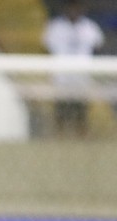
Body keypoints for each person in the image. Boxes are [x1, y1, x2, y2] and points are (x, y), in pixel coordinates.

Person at [42, 0, 105, 136]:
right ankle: (60, 137)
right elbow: (47, 48)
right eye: (71, 7)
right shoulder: (55, 27)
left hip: (82, 75)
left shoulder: (90, 27)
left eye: (77, 7)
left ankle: (81, 137)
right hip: (62, 75)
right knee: (60, 109)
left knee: (81, 109)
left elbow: (98, 47)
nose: (74, 10)